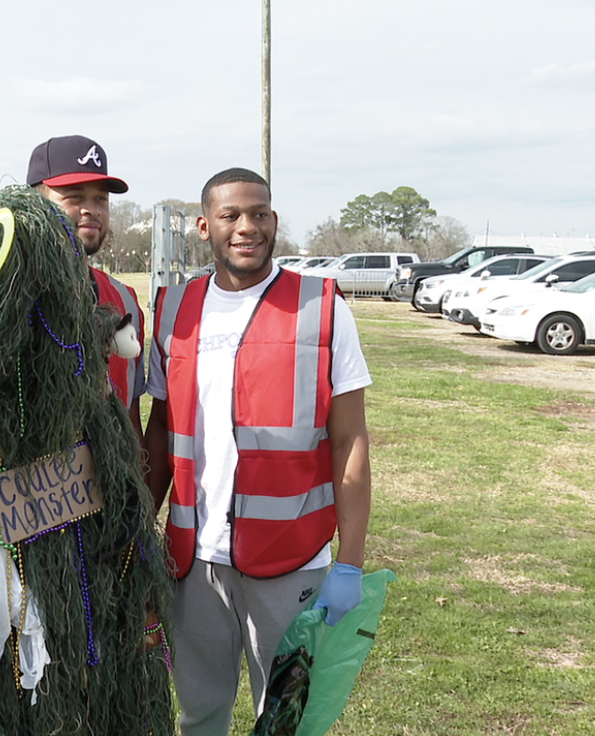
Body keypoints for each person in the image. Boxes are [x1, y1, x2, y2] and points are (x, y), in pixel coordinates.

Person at [144, 168, 372, 736]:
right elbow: (160, 432)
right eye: (231, 216)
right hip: (193, 560)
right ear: (204, 226)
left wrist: (350, 563)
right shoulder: (175, 309)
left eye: (260, 213)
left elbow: (350, 440)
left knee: (288, 720)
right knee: (199, 713)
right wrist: (133, 535)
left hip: (290, 557)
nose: (248, 227)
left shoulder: (322, 307)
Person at [26, 135, 146, 437]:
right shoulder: (5, 297)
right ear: (35, 204)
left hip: (105, 481)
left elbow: (130, 415)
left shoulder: (125, 300)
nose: (91, 209)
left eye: (101, 199)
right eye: (74, 197)